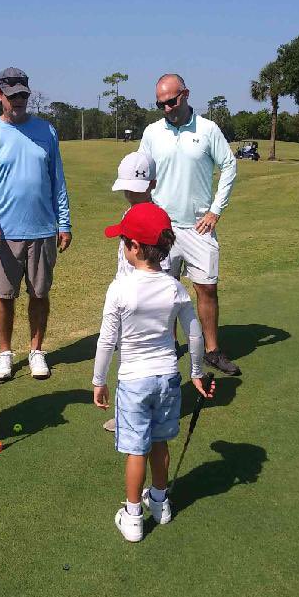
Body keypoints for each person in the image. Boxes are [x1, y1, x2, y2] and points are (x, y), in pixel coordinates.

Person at [92, 203, 214, 543]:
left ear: (134, 247)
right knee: (159, 442)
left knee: (136, 449)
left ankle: (133, 516)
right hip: (167, 378)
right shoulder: (174, 287)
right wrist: (196, 372)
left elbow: (107, 340)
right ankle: (159, 503)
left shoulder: (119, 289)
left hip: (133, 381)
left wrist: (99, 381)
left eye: (123, 241)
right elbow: (193, 333)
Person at [0, 67, 72, 381]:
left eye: (23, 96)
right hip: (4, 234)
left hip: (43, 228)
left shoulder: (47, 131)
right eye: (12, 96)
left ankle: (37, 350)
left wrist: (64, 222)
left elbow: (58, 181)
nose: (18, 101)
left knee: (39, 294)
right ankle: (5, 352)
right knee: (3, 296)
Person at [140, 74, 240, 376]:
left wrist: (215, 210)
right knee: (163, 290)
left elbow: (229, 165)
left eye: (171, 101)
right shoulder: (152, 132)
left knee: (206, 288)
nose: (166, 108)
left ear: (185, 94)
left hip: (199, 227)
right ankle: (167, 347)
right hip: (162, 228)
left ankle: (211, 350)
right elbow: (141, 173)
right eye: (161, 104)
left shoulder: (208, 129)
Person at [102, 150, 170, 433]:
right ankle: (132, 409)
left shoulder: (157, 218)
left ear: (152, 184)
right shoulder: (128, 212)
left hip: (142, 300)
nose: (131, 194)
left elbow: (159, 265)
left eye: (136, 188)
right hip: (126, 296)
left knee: (139, 357)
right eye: (128, 188)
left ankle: (138, 412)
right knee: (126, 355)